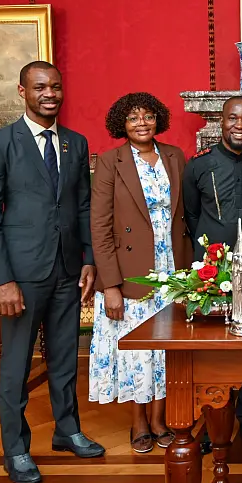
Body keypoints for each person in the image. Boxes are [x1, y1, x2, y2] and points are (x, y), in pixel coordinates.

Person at [0, 61, 105, 483]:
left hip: (68, 269)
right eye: (41, 87)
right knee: (15, 366)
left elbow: (83, 205)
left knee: (65, 359)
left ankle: (67, 430)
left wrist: (88, 259)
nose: (50, 93)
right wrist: (2, 281)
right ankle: (15, 449)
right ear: (22, 91)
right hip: (21, 275)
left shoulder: (75, 143)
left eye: (56, 86)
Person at [89, 92, 191, 453]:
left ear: (157, 120)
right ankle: (138, 422)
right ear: (122, 124)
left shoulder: (174, 156)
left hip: (172, 272)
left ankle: (162, 419)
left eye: (147, 116)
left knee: (166, 350)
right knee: (136, 353)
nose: (142, 123)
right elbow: (99, 225)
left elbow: (186, 218)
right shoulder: (109, 161)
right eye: (133, 118)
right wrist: (111, 285)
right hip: (131, 275)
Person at [183, 96, 242, 451]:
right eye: (233, 118)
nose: (240, 125)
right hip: (211, 267)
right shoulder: (198, 166)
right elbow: (191, 215)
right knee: (212, 346)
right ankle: (211, 420)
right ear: (222, 121)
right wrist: (211, 250)